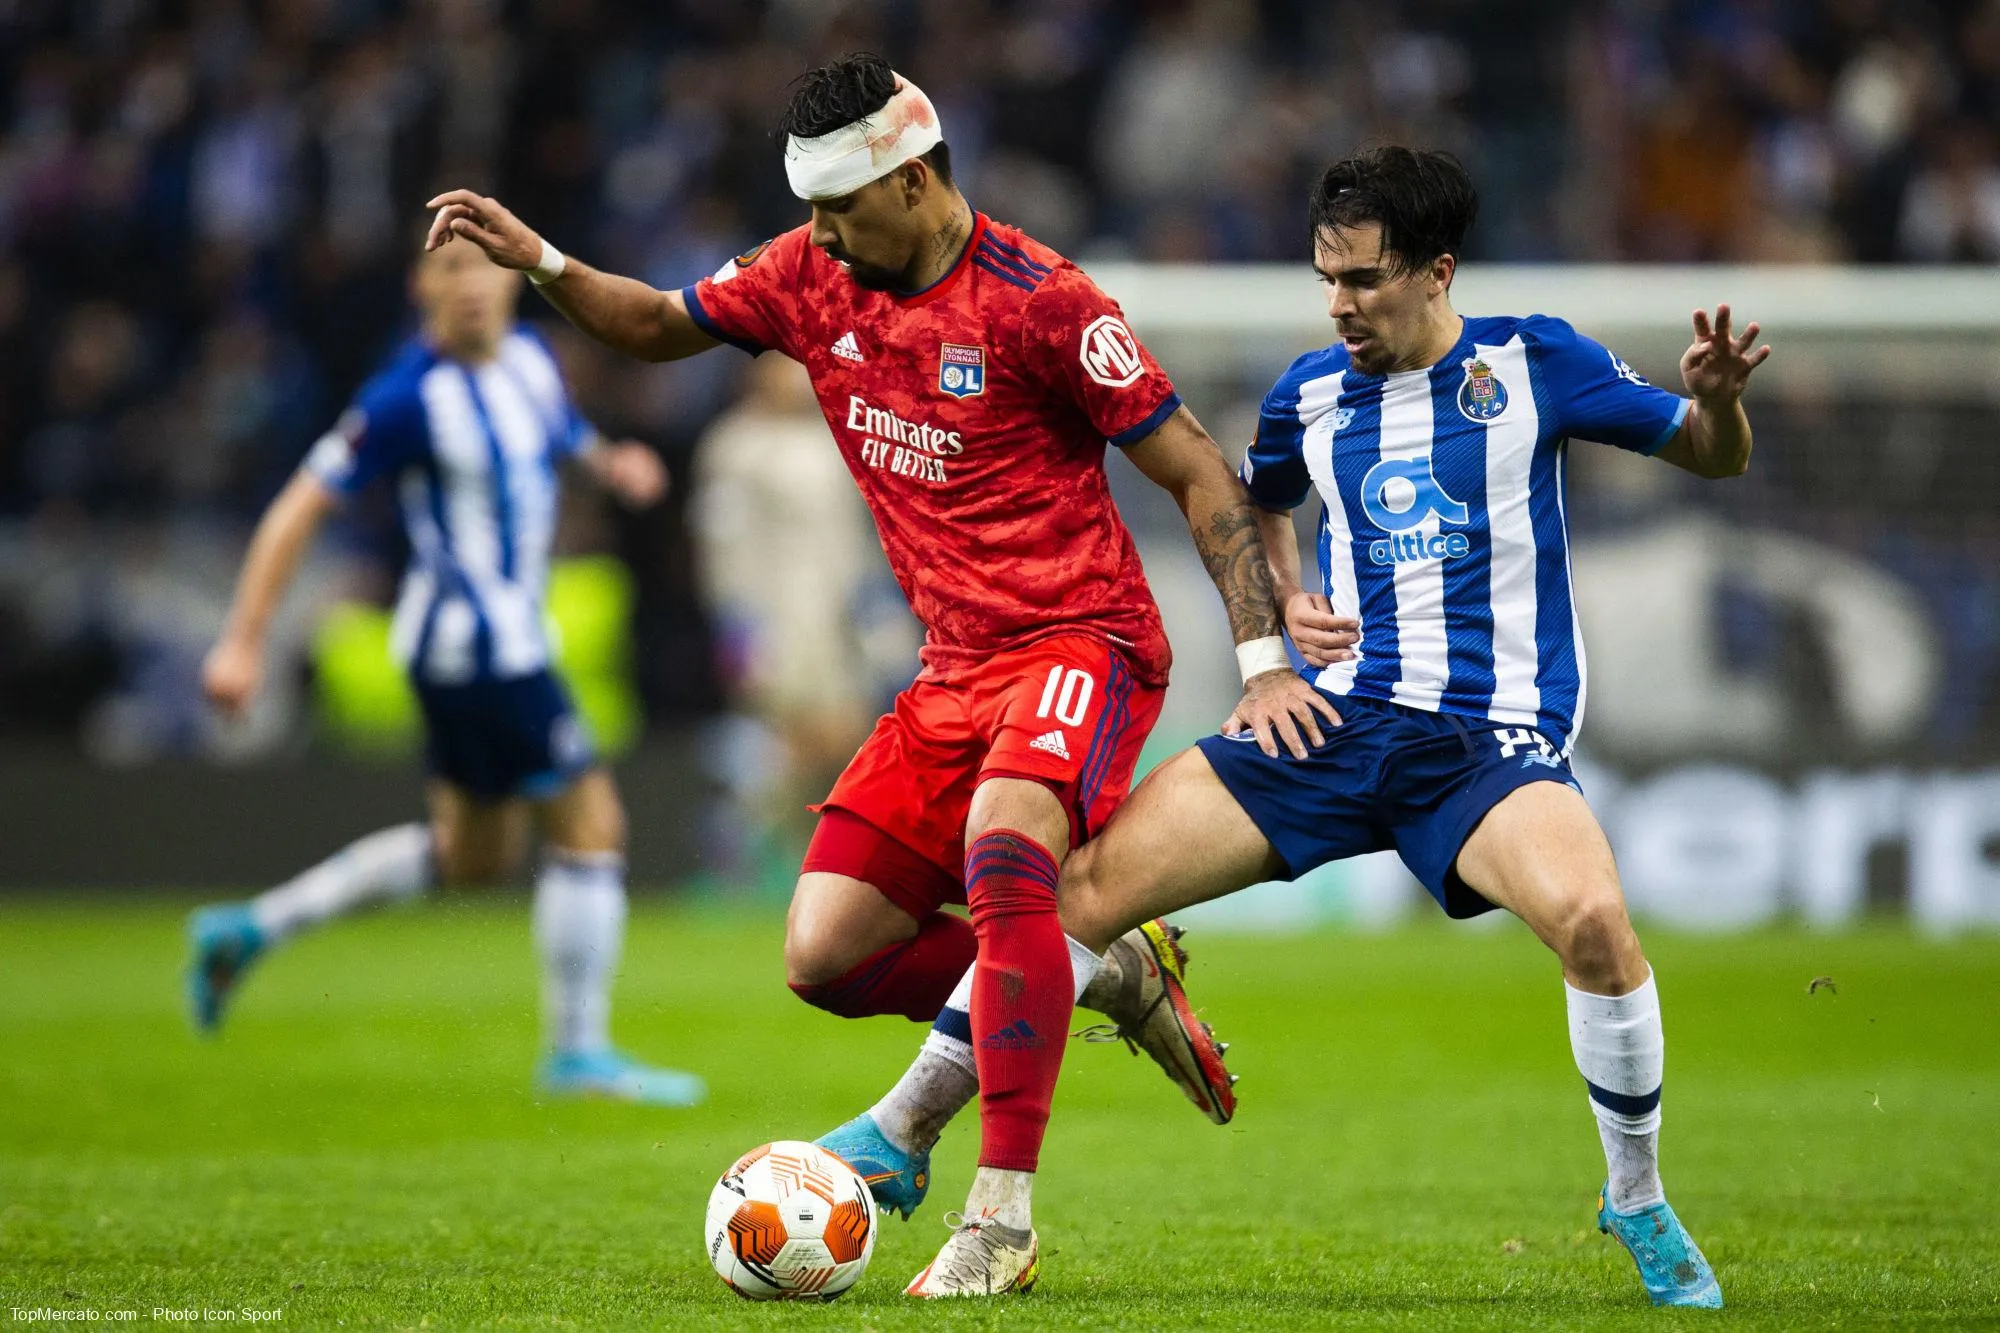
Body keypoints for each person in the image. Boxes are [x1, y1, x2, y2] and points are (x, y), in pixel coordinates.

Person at [423, 52, 1340, 1296]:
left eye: (835, 209)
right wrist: (542, 262)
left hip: (1081, 640)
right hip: (951, 668)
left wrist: (1261, 659)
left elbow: (1194, 472)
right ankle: (1103, 966)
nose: (814, 235)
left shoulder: (1045, 302)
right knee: (827, 954)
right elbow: (649, 324)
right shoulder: (809, 278)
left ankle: (999, 1217)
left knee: (1006, 853)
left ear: (910, 181)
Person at [846, 146, 1770, 1306]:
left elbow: (1705, 453)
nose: (1339, 304)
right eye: (1325, 277)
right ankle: (902, 1129)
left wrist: (1721, 404)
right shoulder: (1308, 393)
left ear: (1437, 272)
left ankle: (1633, 1195)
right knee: (1073, 891)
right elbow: (1255, 505)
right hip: (1331, 726)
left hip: (1482, 744)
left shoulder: (1535, 362)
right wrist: (1278, 629)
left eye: (1364, 280)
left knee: (1591, 920)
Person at [188, 237, 704, 1108]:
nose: (469, 288)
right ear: (421, 285)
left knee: (473, 855)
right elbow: (297, 507)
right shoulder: (406, 397)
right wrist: (244, 640)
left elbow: (563, 438)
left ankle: (250, 927)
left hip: (492, 646)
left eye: (483, 269)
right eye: (449, 271)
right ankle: (577, 1052)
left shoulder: (533, 362)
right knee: (591, 820)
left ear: (513, 277)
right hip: (477, 650)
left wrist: (612, 463)